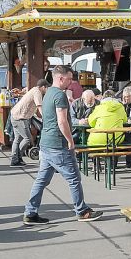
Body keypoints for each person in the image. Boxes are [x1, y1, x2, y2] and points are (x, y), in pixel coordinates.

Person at [23, 65, 103, 225]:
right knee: (74, 178)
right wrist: (70, 140)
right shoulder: (59, 95)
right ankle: (82, 211)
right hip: (58, 144)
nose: (71, 81)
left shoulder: (47, 94)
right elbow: (61, 121)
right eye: (69, 78)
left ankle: (30, 212)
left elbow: (46, 117)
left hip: (46, 143)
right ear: (60, 78)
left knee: (41, 180)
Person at [82, 90, 127, 170]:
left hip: (99, 138)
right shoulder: (120, 107)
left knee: (91, 142)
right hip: (116, 138)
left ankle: (96, 164)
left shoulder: (99, 108)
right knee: (114, 145)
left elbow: (91, 122)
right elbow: (125, 120)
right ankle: (111, 165)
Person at [9, 79, 49, 167]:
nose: (47, 90)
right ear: (43, 87)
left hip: (15, 115)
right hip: (20, 117)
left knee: (18, 139)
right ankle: (16, 158)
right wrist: (46, 118)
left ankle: (15, 160)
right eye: (47, 88)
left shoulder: (33, 89)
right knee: (27, 138)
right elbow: (39, 106)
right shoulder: (37, 92)